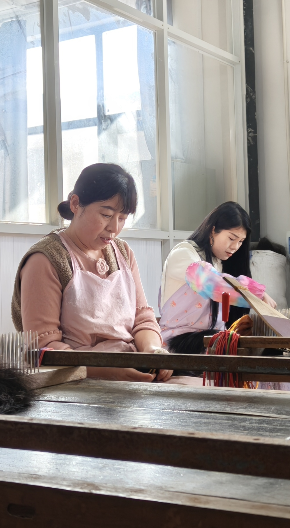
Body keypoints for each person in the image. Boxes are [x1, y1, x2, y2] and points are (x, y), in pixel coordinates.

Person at [12, 163, 172, 383]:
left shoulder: (123, 253)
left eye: (122, 218)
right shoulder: (46, 260)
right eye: (106, 214)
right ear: (75, 204)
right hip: (76, 384)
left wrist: (153, 352)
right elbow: (43, 348)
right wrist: (107, 370)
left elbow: (142, 320)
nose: (114, 228)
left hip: (132, 371)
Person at [159, 201, 277, 354]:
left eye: (241, 242)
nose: (235, 247)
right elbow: (213, 284)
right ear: (213, 230)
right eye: (231, 238)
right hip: (178, 345)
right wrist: (258, 294)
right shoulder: (183, 254)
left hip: (210, 343)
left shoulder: (218, 263)